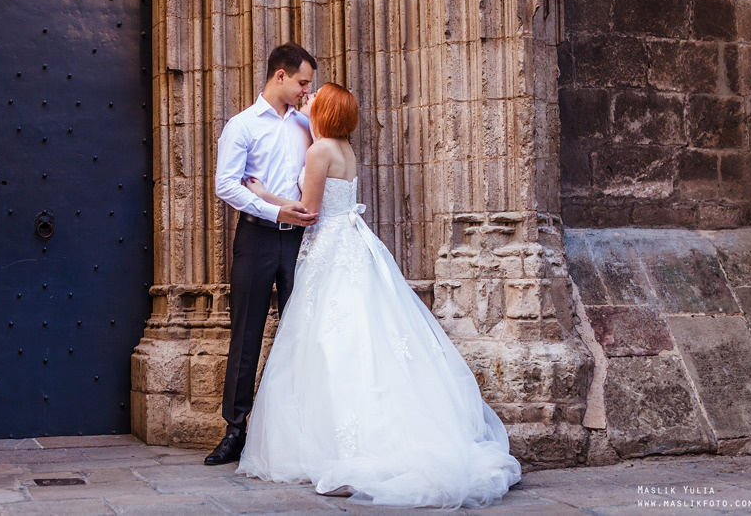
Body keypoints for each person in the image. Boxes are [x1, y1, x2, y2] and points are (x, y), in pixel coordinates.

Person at [235, 83, 522, 508]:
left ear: (326, 111)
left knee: (328, 339)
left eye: (315, 98)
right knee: (362, 333)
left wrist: (262, 195)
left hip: (330, 247)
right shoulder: (344, 149)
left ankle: (337, 443)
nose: (308, 98)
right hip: (352, 244)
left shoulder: (319, 151)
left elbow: (308, 213)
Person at [205, 42, 320, 466]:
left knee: (300, 334)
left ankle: (296, 432)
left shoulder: (307, 124)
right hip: (256, 238)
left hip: (300, 242)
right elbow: (226, 184)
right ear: (280, 76)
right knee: (246, 334)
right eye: (303, 82)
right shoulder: (242, 126)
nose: (307, 90)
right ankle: (235, 430)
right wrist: (274, 209)